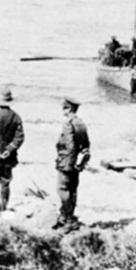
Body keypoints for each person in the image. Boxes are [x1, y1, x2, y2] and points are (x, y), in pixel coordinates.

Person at [53, 96, 90, 232]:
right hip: (76, 162)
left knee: (62, 189)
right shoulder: (81, 123)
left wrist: (67, 160)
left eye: (64, 108)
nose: (63, 111)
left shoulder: (68, 123)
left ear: (68, 109)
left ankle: (68, 219)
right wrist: (80, 161)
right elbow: (86, 145)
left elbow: (70, 145)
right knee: (73, 189)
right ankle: (66, 217)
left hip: (67, 161)